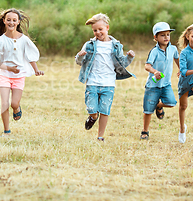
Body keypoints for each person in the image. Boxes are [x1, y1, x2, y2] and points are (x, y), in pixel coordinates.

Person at [75, 13, 135, 142]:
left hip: (109, 83)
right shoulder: (89, 45)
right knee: (92, 109)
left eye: (100, 29)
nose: (98, 32)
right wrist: (80, 56)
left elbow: (122, 63)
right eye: (95, 30)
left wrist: (129, 57)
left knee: (105, 110)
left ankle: (100, 136)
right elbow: (79, 62)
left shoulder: (116, 45)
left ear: (107, 28)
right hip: (92, 81)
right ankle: (92, 117)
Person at [0, 8, 44, 136]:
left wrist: (36, 70)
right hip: (5, 75)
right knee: (4, 104)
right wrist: (9, 68)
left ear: (18, 22)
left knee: (14, 103)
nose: (11, 22)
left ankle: (17, 108)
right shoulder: (0, 40)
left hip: (19, 76)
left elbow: (30, 56)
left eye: (14, 20)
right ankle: (6, 131)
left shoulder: (24, 40)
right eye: (8, 20)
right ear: (4, 21)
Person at [140, 22, 180, 140]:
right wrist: (155, 72)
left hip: (166, 84)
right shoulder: (154, 52)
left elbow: (177, 59)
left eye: (168, 34)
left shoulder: (173, 49)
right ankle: (145, 131)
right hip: (153, 85)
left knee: (172, 102)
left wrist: (181, 70)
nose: (166, 37)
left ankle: (158, 105)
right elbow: (147, 66)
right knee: (148, 110)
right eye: (162, 35)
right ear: (155, 37)